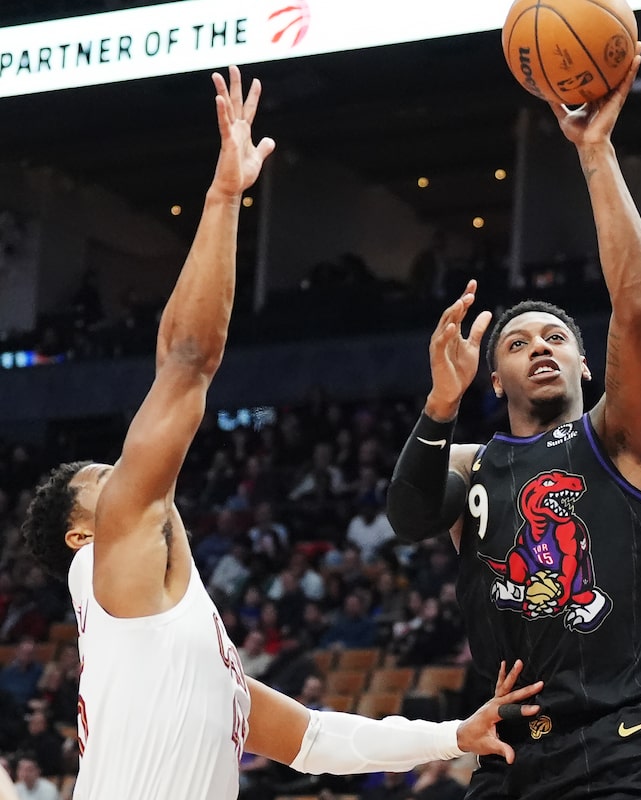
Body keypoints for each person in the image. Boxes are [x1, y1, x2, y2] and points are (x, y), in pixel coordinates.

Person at [20, 67, 541, 800]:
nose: (129, 472)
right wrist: (224, 197)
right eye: (103, 479)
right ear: (84, 533)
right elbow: (186, 363)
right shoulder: (113, 556)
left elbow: (317, 739)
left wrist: (450, 738)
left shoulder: (190, 647)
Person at [386, 44, 641, 800]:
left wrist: (595, 153)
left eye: (556, 338)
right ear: (496, 378)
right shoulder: (470, 462)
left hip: (628, 745)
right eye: (517, 344)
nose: (539, 349)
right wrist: (438, 405)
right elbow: (409, 517)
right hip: (511, 756)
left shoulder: (618, 437)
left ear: (587, 366)